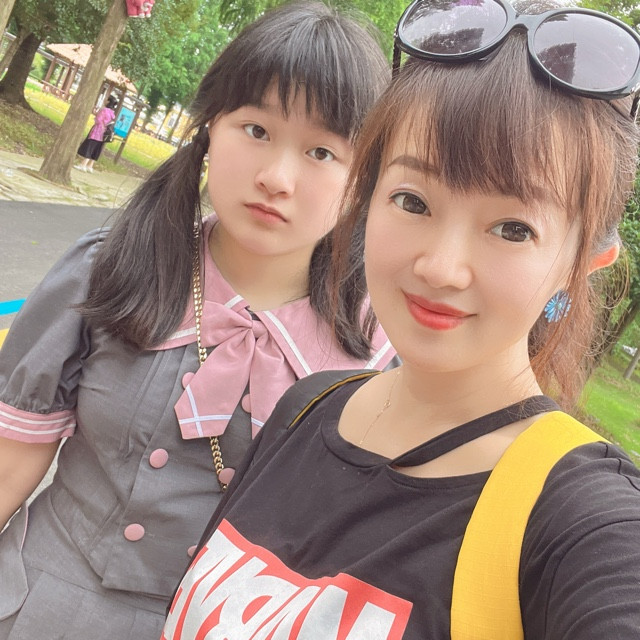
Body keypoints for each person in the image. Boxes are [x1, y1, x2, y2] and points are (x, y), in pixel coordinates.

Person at [162, 0, 640, 637]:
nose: (441, 268)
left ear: (582, 264)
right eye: (413, 201)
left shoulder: (580, 520)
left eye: (513, 228)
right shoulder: (306, 408)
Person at [0, 3, 392, 638]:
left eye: (322, 151)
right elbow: (11, 461)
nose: (277, 178)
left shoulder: (378, 351)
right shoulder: (112, 267)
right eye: (256, 129)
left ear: (362, 179)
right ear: (211, 127)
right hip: (40, 607)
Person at [75, 94, 118, 173]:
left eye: (106, 99)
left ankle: (83, 165)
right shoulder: (112, 112)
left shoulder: (104, 110)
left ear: (108, 101)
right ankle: (90, 166)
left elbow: (98, 120)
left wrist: (96, 114)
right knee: (96, 149)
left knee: (90, 147)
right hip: (104, 133)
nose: (105, 100)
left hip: (97, 131)